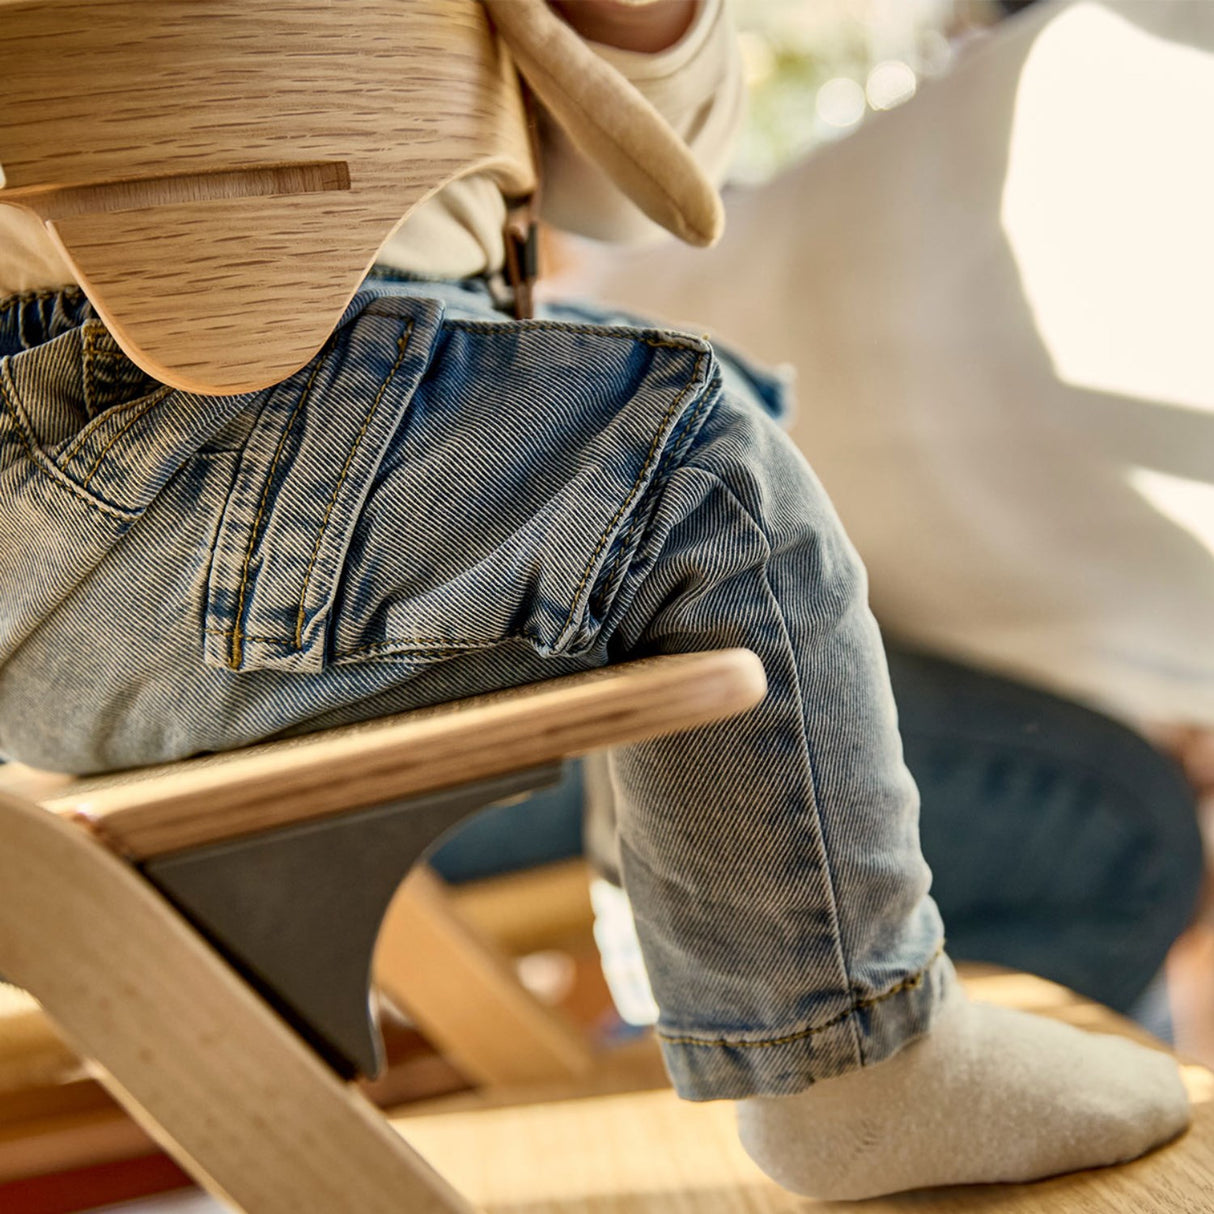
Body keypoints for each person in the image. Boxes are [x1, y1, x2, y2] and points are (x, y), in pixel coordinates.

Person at [0, 0, 1190, 1200]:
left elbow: (641, 184)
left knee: (702, 446)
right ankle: (844, 1060)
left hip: (232, 422)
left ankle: (719, 981)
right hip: (107, 418)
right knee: (687, 477)